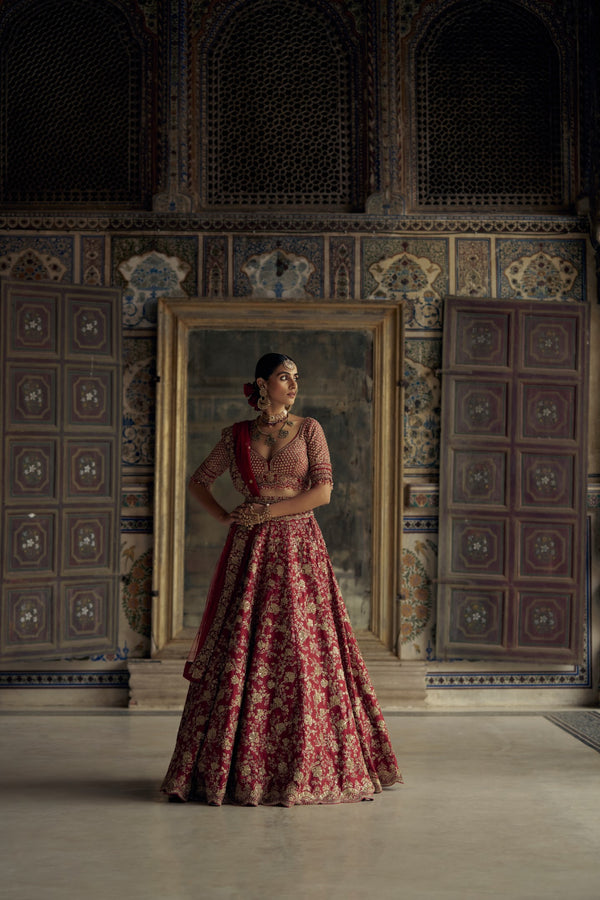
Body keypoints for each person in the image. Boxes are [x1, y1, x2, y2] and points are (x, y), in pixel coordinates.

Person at [161, 352, 402, 806]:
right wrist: (225, 516)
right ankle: (236, 768)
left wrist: (265, 512)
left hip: (299, 548)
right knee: (242, 645)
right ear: (261, 383)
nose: (293, 385)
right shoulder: (236, 436)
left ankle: (308, 764)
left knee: (301, 646)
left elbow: (324, 491)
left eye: (296, 378)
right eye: (284, 377)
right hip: (249, 552)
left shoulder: (310, 429)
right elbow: (200, 480)